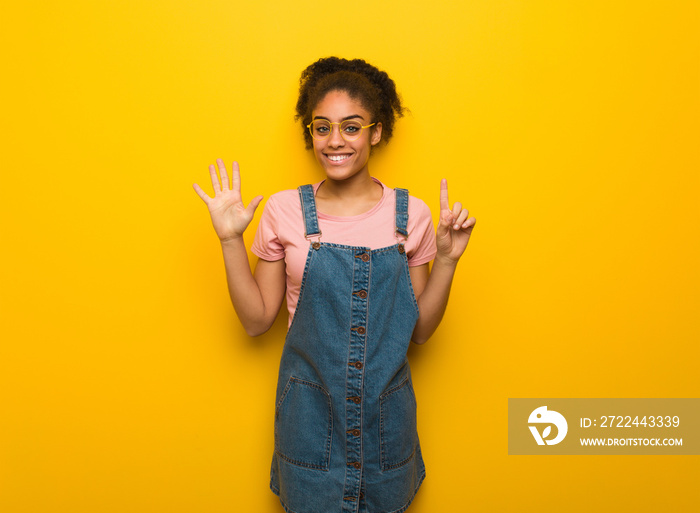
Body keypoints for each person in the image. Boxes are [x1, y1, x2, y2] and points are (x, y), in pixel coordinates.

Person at [193, 57, 476, 513]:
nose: (335, 141)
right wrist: (229, 239)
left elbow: (419, 331)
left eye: (351, 126)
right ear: (311, 135)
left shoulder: (414, 216)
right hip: (309, 427)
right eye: (322, 127)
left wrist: (446, 259)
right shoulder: (284, 211)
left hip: (387, 425)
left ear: (375, 132)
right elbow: (255, 321)